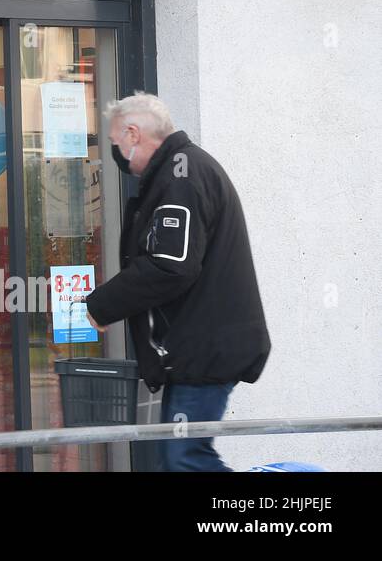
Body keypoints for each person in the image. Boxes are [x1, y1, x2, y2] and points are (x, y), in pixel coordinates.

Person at [84, 93, 270, 472]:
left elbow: (172, 266)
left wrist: (101, 305)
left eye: (117, 143)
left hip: (206, 350)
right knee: (178, 457)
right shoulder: (178, 172)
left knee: (184, 458)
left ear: (133, 133)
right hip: (199, 348)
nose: (117, 153)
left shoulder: (181, 176)